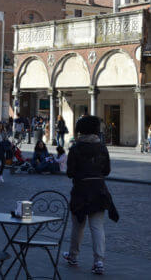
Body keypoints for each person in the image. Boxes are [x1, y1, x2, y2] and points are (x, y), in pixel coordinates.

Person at [63, 115, 119, 275]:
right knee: (97, 227)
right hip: (98, 190)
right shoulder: (102, 148)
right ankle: (99, 261)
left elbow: (70, 173)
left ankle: (73, 256)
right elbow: (106, 171)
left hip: (81, 190)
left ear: (81, 131)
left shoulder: (75, 149)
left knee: (78, 225)